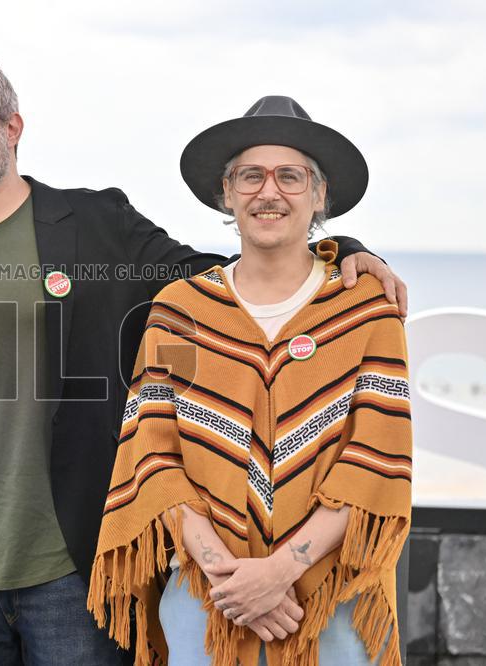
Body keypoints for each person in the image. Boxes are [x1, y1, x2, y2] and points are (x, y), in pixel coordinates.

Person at [0, 55, 407, 665]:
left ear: (11, 127)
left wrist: (340, 247)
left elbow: (230, 269)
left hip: (66, 568)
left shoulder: (95, 227)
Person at [89, 96, 412, 665]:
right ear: (226, 193)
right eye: (250, 176)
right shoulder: (179, 312)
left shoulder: (366, 311)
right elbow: (154, 455)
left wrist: (281, 572)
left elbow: (374, 461)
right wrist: (234, 580)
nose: (269, 192)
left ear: (319, 196)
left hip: (333, 604)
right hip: (208, 598)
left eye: (291, 176)